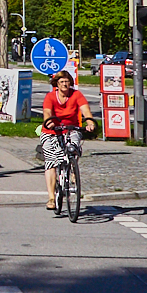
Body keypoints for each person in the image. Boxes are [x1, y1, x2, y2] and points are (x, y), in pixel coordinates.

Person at [39, 71, 90, 212]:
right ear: (56, 84)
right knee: (51, 161)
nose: (65, 84)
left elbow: (85, 109)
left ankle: (72, 169)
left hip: (71, 129)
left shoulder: (76, 95)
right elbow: (47, 112)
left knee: (74, 146)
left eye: (67, 81)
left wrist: (90, 121)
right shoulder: (50, 97)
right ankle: (51, 198)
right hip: (52, 131)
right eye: (61, 82)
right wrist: (49, 122)